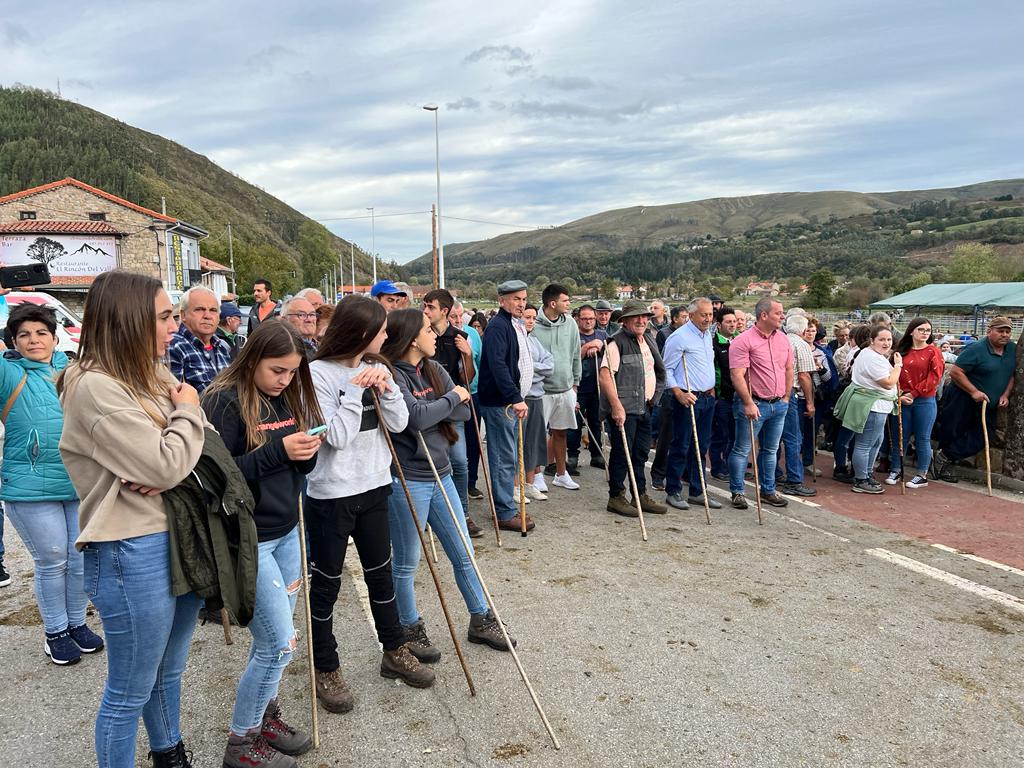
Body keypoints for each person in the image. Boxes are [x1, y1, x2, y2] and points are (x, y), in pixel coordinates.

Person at [58, 270, 208, 768]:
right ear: (129, 320)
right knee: (128, 691)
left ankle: (170, 754)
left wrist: (175, 445)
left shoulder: (146, 369)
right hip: (130, 546)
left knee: (167, 672)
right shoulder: (95, 386)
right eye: (165, 317)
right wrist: (175, 439)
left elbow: (190, 444)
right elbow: (165, 462)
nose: (174, 327)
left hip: (174, 534)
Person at [202, 321, 323, 768]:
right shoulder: (223, 400)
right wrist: (279, 452)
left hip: (288, 528)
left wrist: (308, 454)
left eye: (292, 372)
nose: (285, 379)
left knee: (272, 641)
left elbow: (291, 468)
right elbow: (215, 476)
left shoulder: (286, 397)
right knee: (279, 644)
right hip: (249, 538)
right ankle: (241, 742)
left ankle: (263, 716)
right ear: (252, 359)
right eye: (277, 370)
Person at [305, 296, 433, 715]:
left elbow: (399, 425)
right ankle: (326, 667)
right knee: (325, 586)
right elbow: (335, 437)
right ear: (361, 332)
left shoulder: (375, 369)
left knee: (381, 577)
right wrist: (354, 392)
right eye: (380, 329)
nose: (386, 336)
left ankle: (393, 650)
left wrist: (389, 387)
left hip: (376, 486)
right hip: (331, 494)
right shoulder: (315, 375)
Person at [380, 309, 515, 664]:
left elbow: (464, 414)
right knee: (407, 562)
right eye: (428, 330)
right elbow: (413, 419)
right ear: (412, 339)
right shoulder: (391, 375)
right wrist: (448, 400)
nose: (434, 335)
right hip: (407, 479)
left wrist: (440, 405)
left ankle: (481, 618)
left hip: (441, 475)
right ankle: (408, 628)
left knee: (464, 552)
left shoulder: (434, 368)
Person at [0, 301, 102, 665]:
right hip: (29, 487)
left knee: (79, 559)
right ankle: (55, 631)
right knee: (52, 558)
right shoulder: (8, 373)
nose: (33, 340)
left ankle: (76, 624)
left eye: (41, 332)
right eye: (24, 334)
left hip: (77, 482)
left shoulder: (73, 370)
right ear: (13, 340)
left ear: (55, 337)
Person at [598, 300, 668, 517]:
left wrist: (655, 398)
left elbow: (658, 371)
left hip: (645, 406)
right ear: (625, 321)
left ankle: (640, 494)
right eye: (636, 317)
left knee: (640, 454)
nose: (641, 320)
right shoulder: (615, 343)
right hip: (625, 410)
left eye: (645, 316)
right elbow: (605, 375)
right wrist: (616, 406)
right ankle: (616, 496)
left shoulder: (648, 339)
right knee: (621, 453)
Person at [421, 289, 481, 536]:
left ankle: (462, 514)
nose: (425, 311)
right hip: (427, 408)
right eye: (424, 306)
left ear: (444, 311)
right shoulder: (419, 336)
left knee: (459, 461)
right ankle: (426, 514)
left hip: (454, 410)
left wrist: (467, 354)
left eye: (430, 307)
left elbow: (468, 378)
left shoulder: (460, 336)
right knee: (427, 462)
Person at [477, 280, 534, 533]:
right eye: (515, 299)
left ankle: (507, 506)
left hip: (508, 401)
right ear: (502, 301)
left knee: (509, 455)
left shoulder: (513, 324)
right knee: (502, 457)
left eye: (523, 299)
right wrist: (515, 397)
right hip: (501, 403)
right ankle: (503, 511)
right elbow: (499, 367)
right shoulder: (498, 327)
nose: (521, 304)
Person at [727, 297, 794, 509]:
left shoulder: (783, 339)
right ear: (764, 315)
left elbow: (789, 368)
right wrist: (748, 402)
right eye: (778, 313)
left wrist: (786, 396)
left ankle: (768, 490)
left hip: (778, 404)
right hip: (754, 403)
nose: (782, 316)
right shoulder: (743, 340)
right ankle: (737, 491)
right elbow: (737, 375)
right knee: (742, 449)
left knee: (770, 450)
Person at [934, 317, 1016, 483]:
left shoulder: (1012, 350)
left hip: (989, 403)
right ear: (989, 331)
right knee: (953, 429)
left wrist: (1005, 394)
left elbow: (1012, 374)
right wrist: (974, 391)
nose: (1005, 335)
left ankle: (944, 456)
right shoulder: (976, 348)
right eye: (1000, 331)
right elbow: (956, 372)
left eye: (1007, 332)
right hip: (963, 396)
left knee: (984, 435)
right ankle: (941, 465)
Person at [661, 298, 721, 511]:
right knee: (682, 444)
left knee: (702, 445)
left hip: (707, 398)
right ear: (692, 314)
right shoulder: (679, 338)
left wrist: (711, 389)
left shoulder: (707, 335)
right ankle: (673, 490)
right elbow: (666, 370)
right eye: (704, 315)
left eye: (710, 315)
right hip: (688, 398)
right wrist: (678, 393)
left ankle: (697, 490)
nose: (708, 318)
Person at [834, 325, 900, 494]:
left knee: (875, 442)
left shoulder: (873, 355)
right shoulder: (872, 357)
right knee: (865, 444)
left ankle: (866, 474)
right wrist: (898, 366)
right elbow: (888, 382)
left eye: (889, 339)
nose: (886, 343)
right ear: (872, 340)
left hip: (878, 405)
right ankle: (861, 479)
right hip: (873, 406)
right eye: (882, 339)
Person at [532, 284, 582, 489]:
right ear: (553, 303)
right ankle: (536, 476)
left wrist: (575, 383)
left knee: (561, 432)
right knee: (536, 434)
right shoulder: (532, 324)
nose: (569, 303)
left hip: (566, 389)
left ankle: (561, 474)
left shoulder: (570, 323)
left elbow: (576, 353)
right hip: (540, 390)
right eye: (565, 300)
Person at [886, 317, 944, 489]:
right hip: (902, 399)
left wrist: (914, 392)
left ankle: (922, 474)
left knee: (922, 438)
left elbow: (934, 378)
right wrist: (900, 393)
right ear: (912, 331)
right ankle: (896, 469)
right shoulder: (900, 352)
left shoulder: (934, 352)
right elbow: (892, 374)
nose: (925, 333)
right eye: (921, 329)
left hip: (924, 401)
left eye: (928, 330)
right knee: (899, 437)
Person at [774, 313, 817, 497]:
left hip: (773, 392)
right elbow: (804, 376)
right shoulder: (801, 345)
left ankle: (773, 473)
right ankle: (794, 480)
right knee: (793, 438)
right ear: (803, 329)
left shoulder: (779, 340)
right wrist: (810, 402)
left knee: (773, 439)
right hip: (790, 392)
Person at [168, 285, 233, 393]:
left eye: (213, 310)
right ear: (183, 315)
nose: (207, 315)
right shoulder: (174, 346)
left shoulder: (222, 348)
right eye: (199, 309)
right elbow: (172, 398)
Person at [567, 304, 607, 472]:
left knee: (596, 421)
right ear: (578, 319)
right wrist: (584, 349)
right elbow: (570, 358)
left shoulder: (603, 335)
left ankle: (596, 454)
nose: (588, 322)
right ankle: (573, 456)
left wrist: (600, 344)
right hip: (578, 386)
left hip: (597, 387)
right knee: (574, 423)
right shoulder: (572, 335)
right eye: (585, 319)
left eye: (591, 318)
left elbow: (610, 352)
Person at [452, 303, 485, 503]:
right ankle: (456, 484)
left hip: (473, 392)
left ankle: (471, 482)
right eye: (453, 317)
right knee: (455, 443)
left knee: (474, 440)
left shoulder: (472, 333)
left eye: (459, 316)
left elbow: (479, 362)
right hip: (453, 395)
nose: (457, 321)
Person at [522, 305, 554, 499]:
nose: (531, 321)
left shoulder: (534, 341)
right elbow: (520, 370)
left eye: (534, 317)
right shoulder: (516, 341)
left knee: (534, 442)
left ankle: (530, 483)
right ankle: (517, 485)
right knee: (521, 442)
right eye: (527, 317)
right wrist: (534, 371)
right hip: (523, 397)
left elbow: (550, 365)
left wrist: (532, 369)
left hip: (537, 397)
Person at [709, 306, 739, 481]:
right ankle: (717, 467)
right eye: (728, 322)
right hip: (722, 398)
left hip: (738, 397)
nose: (732, 325)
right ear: (719, 324)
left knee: (735, 436)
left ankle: (731, 466)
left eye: (734, 321)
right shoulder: (714, 344)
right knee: (720, 435)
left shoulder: (740, 341)